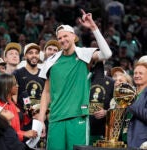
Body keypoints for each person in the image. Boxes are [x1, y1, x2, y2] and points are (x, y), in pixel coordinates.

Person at [38, 9, 112, 150]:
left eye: (65, 36)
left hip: (78, 117)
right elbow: (46, 92)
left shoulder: (85, 55)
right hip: (55, 119)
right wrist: (41, 119)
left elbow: (107, 53)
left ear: (73, 36)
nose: (62, 40)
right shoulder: (51, 61)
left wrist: (94, 28)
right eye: (59, 38)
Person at [13, 43, 45, 130]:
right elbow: (12, 99)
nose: (34, 55)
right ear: (25, 56)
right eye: (30, 53)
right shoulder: (17, 74)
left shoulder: (44, 74)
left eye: (36, 53)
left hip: (41, 118)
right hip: (23, 120)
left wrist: (42, 114)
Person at [0, 74, 38, 142]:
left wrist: (28, 115)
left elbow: (19, 123)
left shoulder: (11, 102)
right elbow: (5, 132)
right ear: (7, 87)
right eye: (15, 84)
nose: (17, 86)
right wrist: (24, 134)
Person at [89, 61, 114, 145]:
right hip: (80, 127)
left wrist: (106, 112)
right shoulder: (80, 79)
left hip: (101, 131)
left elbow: (117, 107)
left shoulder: (111, 82)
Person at [127, 62, 147, 148]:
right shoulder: (129, 92)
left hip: (141, 142)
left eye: (140, 73)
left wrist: (130, 103)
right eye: (135, 73)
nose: (137, 75)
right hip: (124, 140)